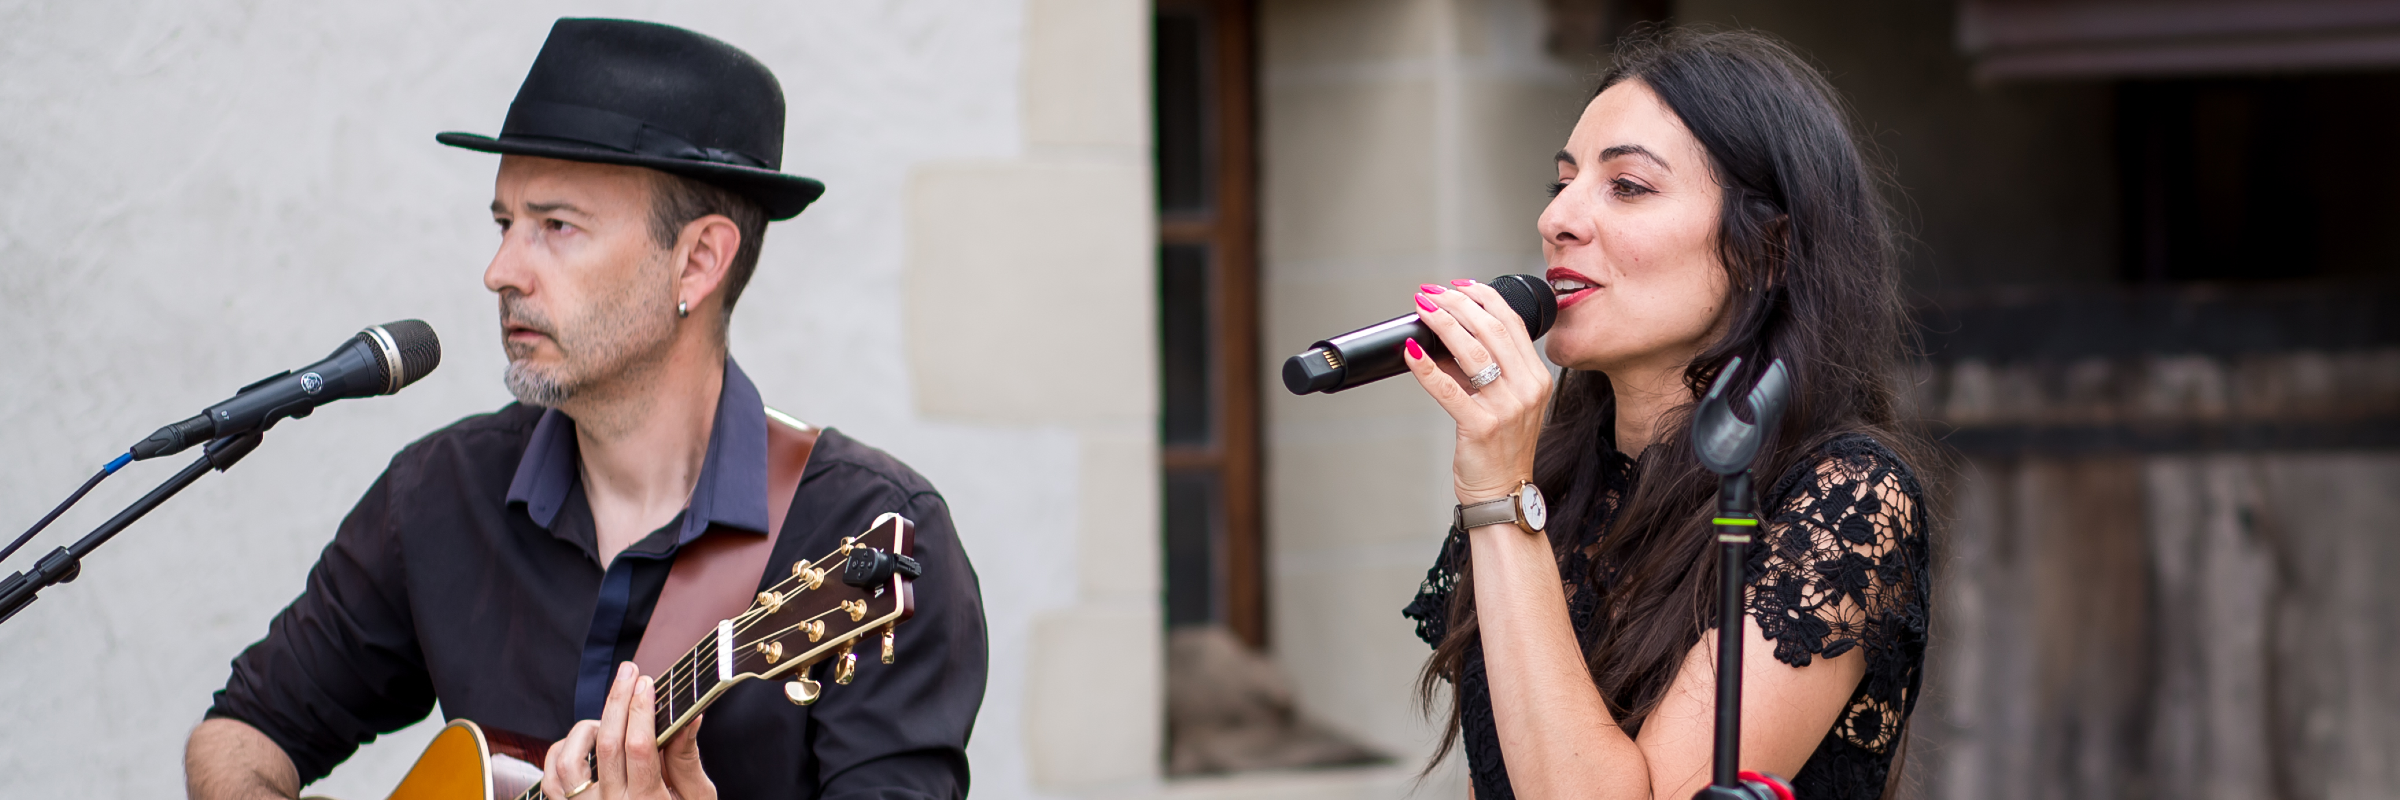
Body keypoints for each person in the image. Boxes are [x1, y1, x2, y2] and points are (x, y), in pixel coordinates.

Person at [182, 19, 986, 800]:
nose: (500, 270)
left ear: (698, 261)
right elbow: (242, 732)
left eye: (556, 226)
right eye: (504, 224)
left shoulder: (868, 542)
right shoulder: (440, 492)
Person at [1397, 29, 1933, 800]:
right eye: (1562, 184)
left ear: (1766, 250)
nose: (1558, 221)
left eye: (1628, 187)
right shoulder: (1544, 484)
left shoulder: (1846, 499)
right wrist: (1508, 498)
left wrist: (1501, 500)